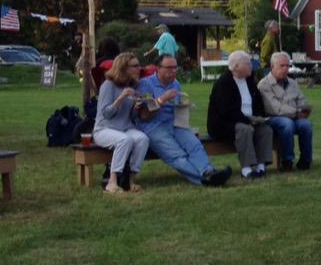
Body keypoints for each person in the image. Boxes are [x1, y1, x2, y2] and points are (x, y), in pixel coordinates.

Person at [139, 54, 233, 186]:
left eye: (175, 68)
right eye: (169, 68)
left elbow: (176, 106)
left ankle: (208, 171)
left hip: (175, 123)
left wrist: (184, 106)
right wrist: (162, 99)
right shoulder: (146, 84)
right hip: (153, 126)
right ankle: (206, 179)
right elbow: (144, 115)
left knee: (195, 145)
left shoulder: (175, 84)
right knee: (176, 155)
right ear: (158, 68)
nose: (173, 71)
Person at [209, 51, 275, 178]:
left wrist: (259, 118)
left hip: (249, 120)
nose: (251, 66)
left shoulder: (249, 81)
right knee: (244, 129)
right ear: (236, 66)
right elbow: (226, 111)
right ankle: (246, 169)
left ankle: (261, 166)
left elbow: (258, 103)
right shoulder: (223, 83)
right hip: (225, 124)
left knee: (265, 130)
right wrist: (247, 120)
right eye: (248, 64)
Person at [95, 54, 151, 194]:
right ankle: (112, 182)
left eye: (139, 65)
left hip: (125, 128)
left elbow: (131, 117)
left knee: (142, 139)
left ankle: (130, 180)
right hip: (104, 129)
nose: (139, 68)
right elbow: (106, 114)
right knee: (124, 140)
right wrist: (121, 98)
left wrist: (136, 108)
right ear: (123, 68)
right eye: (135, 66)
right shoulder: (108, 85)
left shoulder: (132, 86)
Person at [258, 52, 313, 171]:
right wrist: (297, 112)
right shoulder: (264, 85)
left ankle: (305, 161)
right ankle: (287, 161)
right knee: (286, 124)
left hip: (294, 117)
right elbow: (275, 108)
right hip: (272, 118)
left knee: (306, 125)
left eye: (287, 66)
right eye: (282, 66)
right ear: (272, 67)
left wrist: (305, 109)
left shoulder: (292, 83)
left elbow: (302, 100)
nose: (285, 69)